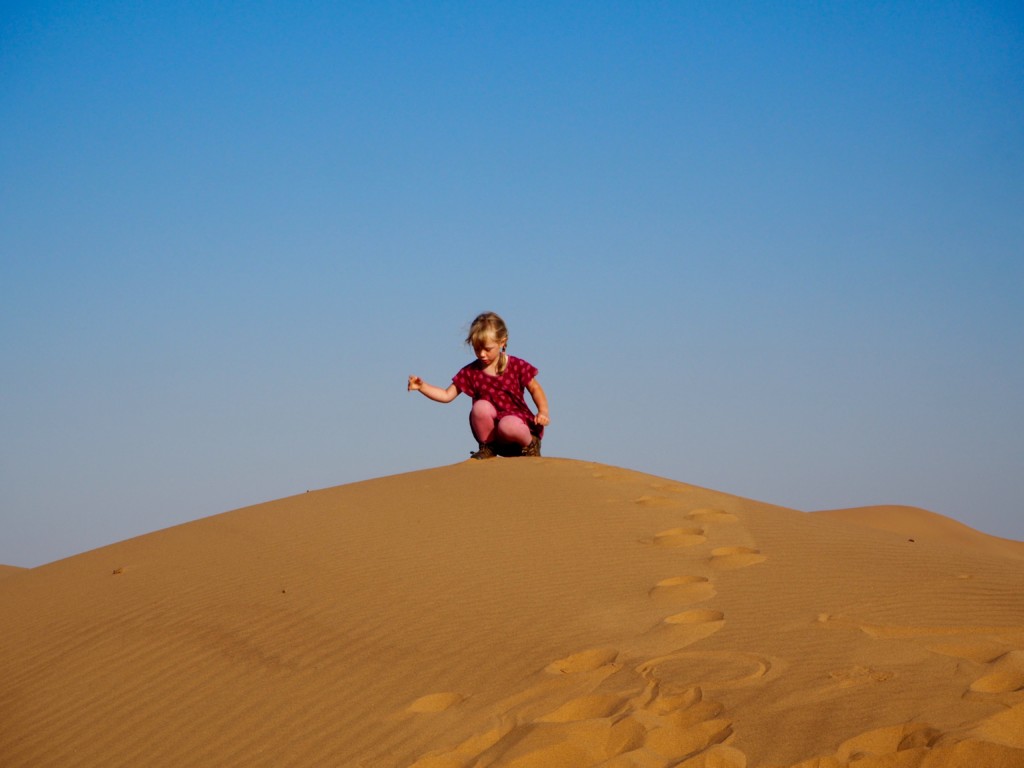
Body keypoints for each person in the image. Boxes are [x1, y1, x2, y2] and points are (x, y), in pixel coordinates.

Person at [408, 311, 550, 459]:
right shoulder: (471, 372)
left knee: (508, 424)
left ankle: (531, 446)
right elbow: (446, 395)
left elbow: (535, 388)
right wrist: (422, 387)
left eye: (487, 349)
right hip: (496, 436)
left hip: (518, 428)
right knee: (480, 407)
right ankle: (488, 447)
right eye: (477, 348)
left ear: (502, 342)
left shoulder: (516, 365)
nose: (482, 354)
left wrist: (543, 411)